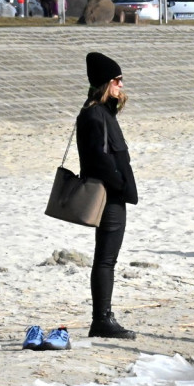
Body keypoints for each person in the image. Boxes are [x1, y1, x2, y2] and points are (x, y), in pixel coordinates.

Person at [77, 52, 139, 340]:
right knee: (105, 259)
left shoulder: (102, 112)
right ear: (106, 82)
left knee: (106, 258)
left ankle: (103, 317)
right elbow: (99, 160)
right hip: (108, 197)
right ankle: (101, 318)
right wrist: (119, 185)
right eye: (117, 80)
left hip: (113, 195)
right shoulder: (93, 114)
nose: (121, 86)